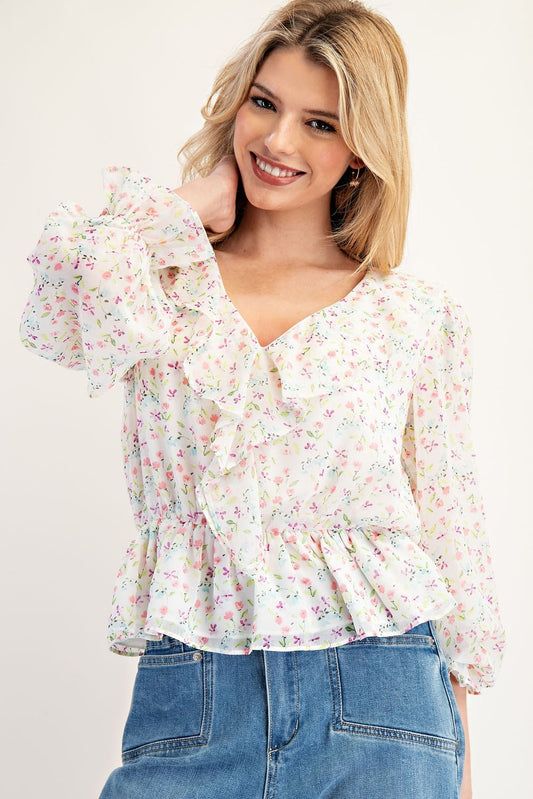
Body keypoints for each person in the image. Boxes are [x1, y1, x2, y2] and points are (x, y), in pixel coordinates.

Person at [19, 1, 505, 797]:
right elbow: (57, 302)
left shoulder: (414, 316)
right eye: (264, 103)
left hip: (380, 698)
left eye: (319, 123)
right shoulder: (157, 280)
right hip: (194, 697)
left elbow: (451, 524)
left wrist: (461, 757)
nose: (278, 142)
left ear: (360, 148)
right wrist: (184, 209)